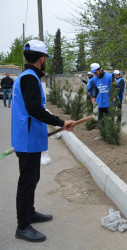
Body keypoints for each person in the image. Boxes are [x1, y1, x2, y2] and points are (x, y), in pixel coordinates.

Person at [11, 40, 74, 242]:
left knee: (32, 179)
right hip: (28, 140)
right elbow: (35, 110)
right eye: (45, 58)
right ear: (42, 58)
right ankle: (23, 226)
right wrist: (61, 122)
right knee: (27, 183)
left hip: (29, 139)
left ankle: (29, 213)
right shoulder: (29, 78)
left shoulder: (27, 76)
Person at [90, 63, 114, 130]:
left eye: (96, 72)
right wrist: (94, 97)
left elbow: (115, 88)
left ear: (100, 69)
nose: (95, 74)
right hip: (101, 102)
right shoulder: (95, 78)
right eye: (94, 73)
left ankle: (110, 136)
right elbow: (96, 89)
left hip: (109, 102)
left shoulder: (110, 76)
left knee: (109, 121)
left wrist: (115, 97)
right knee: (100, 122)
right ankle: (102, 135)